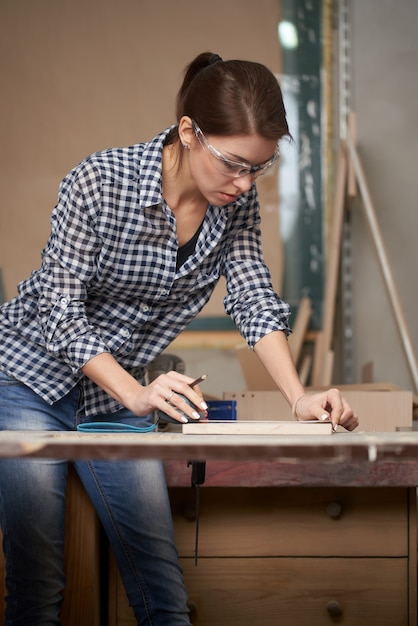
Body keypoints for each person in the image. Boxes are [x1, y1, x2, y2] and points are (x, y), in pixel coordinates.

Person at [0, 51, 359, 625]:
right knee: (38, 591)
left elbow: (252, 297)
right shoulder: (98, 181)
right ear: (189, 132)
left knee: (164, 595)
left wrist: (299, 397)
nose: (244, 185)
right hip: (27, 381)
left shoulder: (232, 209)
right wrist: (137, 394)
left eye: (258, 169)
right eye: (234, 164)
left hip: (113, 400)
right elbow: (60, 311)